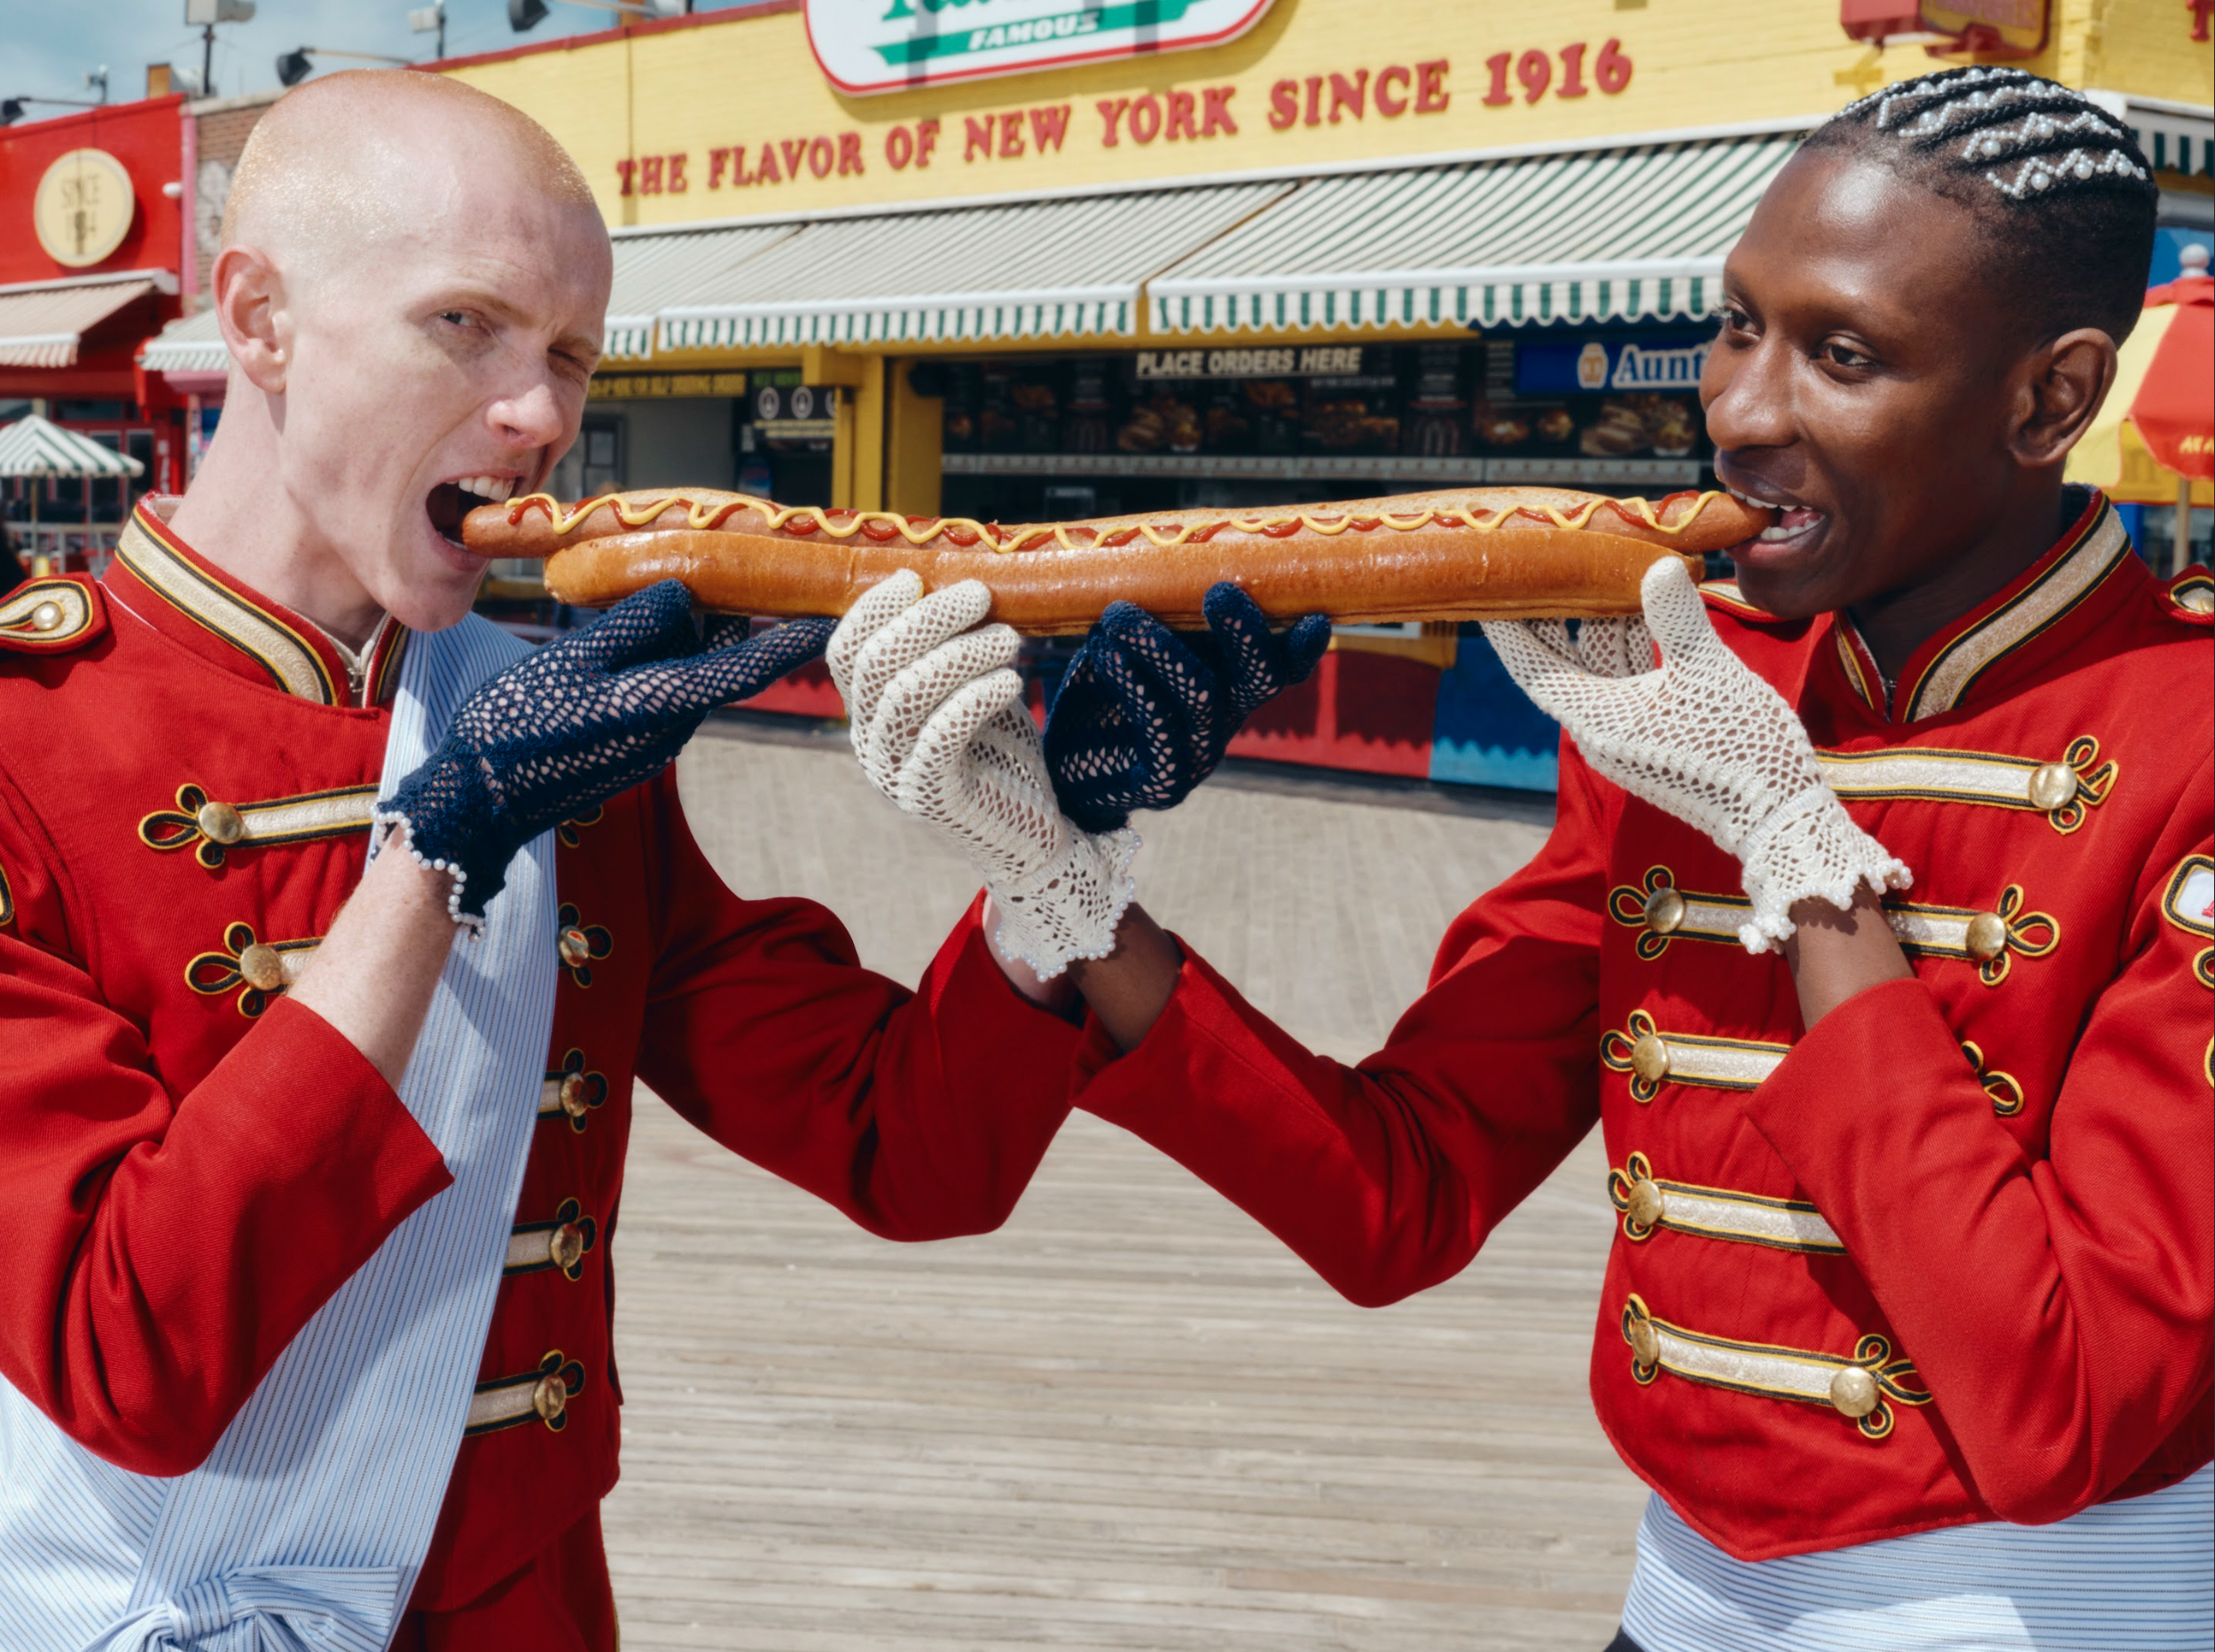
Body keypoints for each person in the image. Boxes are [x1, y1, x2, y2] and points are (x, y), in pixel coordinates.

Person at [832, 67, 2213, 1649]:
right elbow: (1395, 1195)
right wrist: (1058, 887)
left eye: (1839, 355)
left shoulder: (2186, 740)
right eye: (1735, 324)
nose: (1742, 409)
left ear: (2048, 399)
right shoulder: (1700, 697)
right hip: (1675, 1596)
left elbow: (2066, 1401)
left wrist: (1797, 855)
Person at [0, 72, 1084, 1652]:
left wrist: (1051, 859)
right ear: (260, 318)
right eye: (467, 326)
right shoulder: (27, 740)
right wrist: (435, 852)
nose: (544, 417)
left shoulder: (544, 724)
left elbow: (905, 1150)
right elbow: (131, 1354)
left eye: (570, 354)